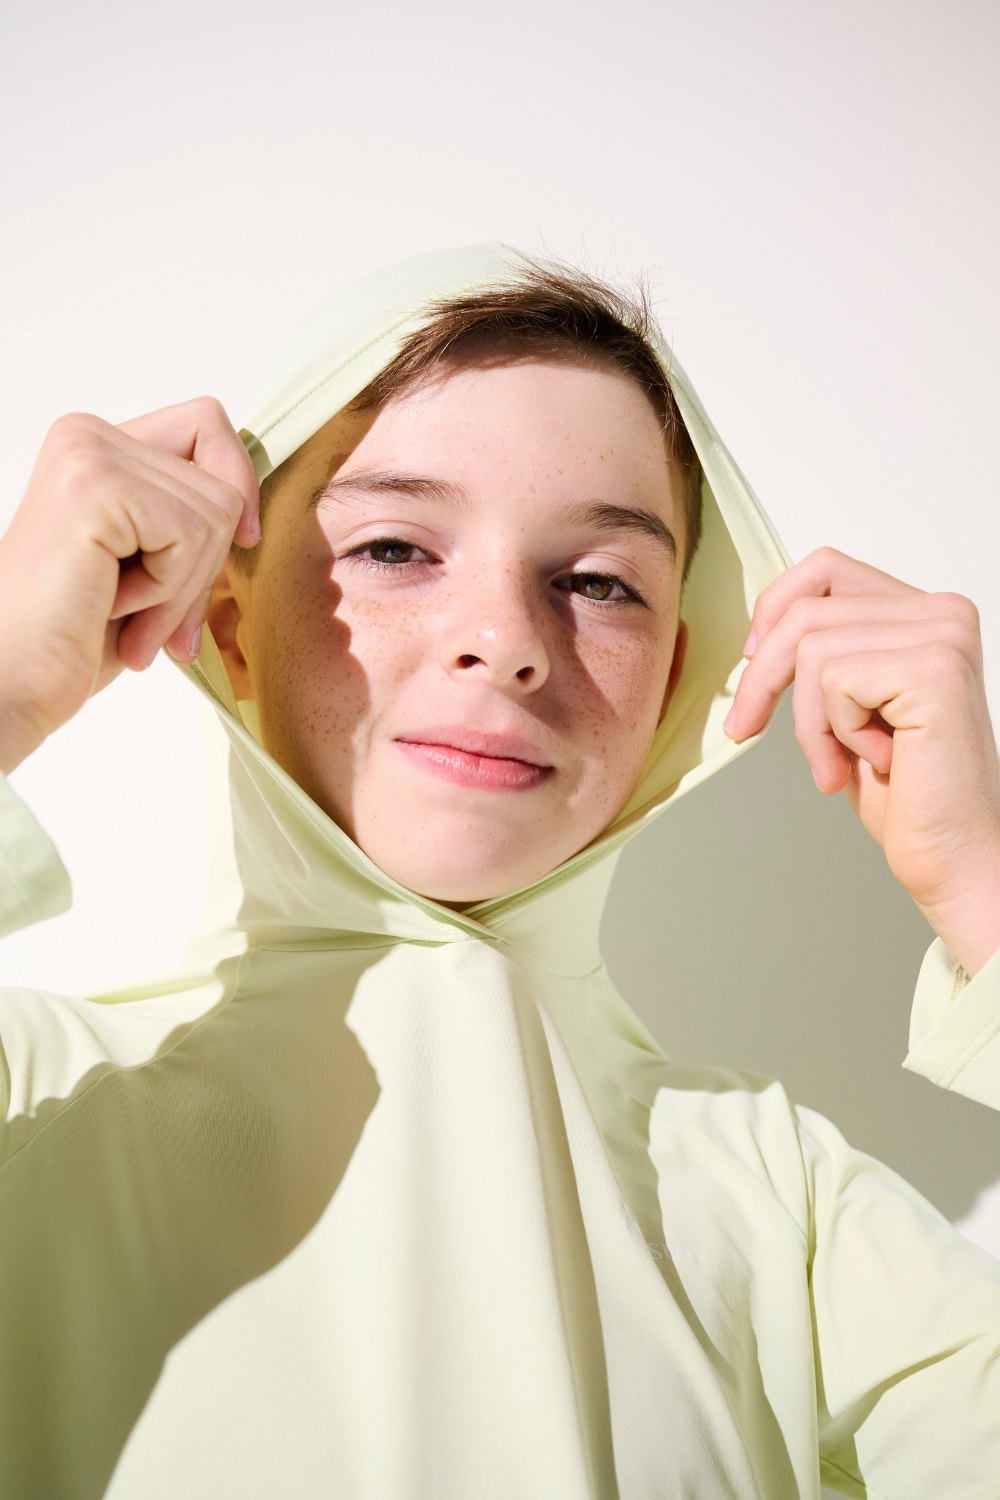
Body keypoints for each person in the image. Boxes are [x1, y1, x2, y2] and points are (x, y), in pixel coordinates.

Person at [1, 240, 998, 1499]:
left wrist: (987, 895)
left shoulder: (781, 1202)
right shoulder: (30, 1102)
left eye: (595, 582)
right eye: (396, 550)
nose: (505, 642)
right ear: (228, 618)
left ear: (676, 688)